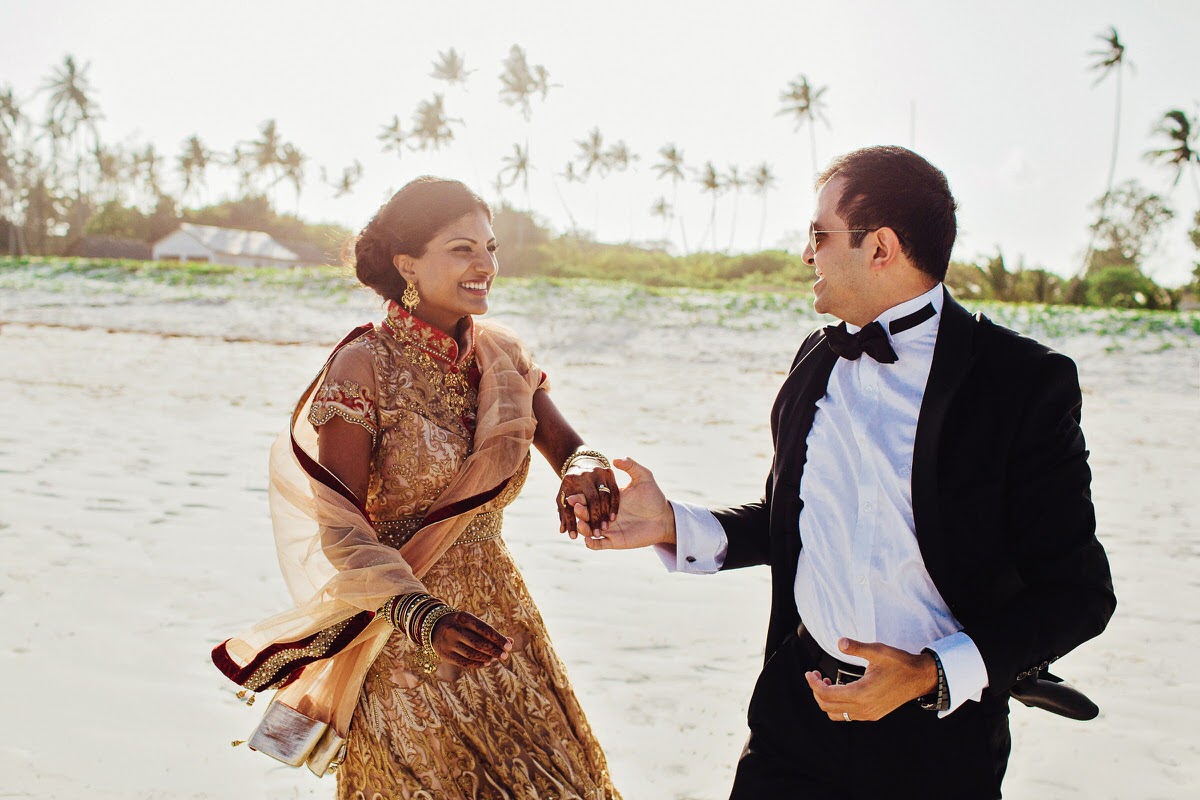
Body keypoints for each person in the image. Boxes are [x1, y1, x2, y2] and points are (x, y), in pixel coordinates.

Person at [569, 146, 1116, 798]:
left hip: (938, 745)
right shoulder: (814, 360)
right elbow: (792, 528)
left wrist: (930, 673)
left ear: (880, 247)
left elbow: (1078, 594)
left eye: (819, 236)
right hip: (795, 715)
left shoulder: (1022, 384)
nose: (807, 254)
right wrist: (671, 525)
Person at [213, 177, 622, 799]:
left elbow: (567, 444)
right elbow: (341, 527)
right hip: (408, 643)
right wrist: (420, 614)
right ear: (407, 263)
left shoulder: (501, 355)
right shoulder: (363, 366)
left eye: (490, 248)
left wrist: (582, 469)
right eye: (462, 249)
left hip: (502, 624)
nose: (485, 265)